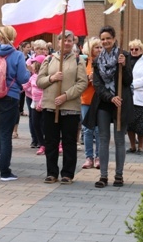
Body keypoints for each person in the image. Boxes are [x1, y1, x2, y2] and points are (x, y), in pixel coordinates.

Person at [84, 25, 134, 188]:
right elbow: (97, 84)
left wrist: (125, 65)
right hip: (104, 102)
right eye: (103, 39)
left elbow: (128, 81)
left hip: (121, 101)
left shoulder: (124, 55)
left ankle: (119, 175)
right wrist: (110, 97)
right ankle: (103, 175)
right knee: (103, 139)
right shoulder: (97, 60)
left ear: (114, 39)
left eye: (108, 38)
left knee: (119, 139)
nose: (105, 41)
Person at [37, 30, 87, 184]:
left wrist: (66, 95)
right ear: (58, 42)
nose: (66, 43)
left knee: (69, 141)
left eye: (69, 40)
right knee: (51, 141)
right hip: (50, 107)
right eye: (63, 40)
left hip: (70, 107)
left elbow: (82, 83)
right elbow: (39, 81)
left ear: (73, 42)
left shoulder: (78, 60)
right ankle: (52, 172)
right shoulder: (50, 59)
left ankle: (67, 174)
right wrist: (52, 78)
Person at [0, 26, 30, 182]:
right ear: (13, 37)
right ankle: (5, 172)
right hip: (9, 96)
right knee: (5, 135)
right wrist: (29, 72)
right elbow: (23, 78)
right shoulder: (17, 55)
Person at [126, 39, 143, 155]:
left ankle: (140, 145)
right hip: (127, 96)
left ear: (141, 50)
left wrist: (132, 84)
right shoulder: (125, 61)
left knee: (140, 123)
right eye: (132, 49)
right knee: (129, 124)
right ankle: (132, 146)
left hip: (139, 95)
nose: (134, 51)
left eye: (136, 49)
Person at [80, 37, 102, 169]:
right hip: (86, 99)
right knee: (87, 130)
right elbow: (79, 82)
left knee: (99, 130)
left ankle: (99, 157)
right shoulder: (83, 62)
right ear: (90, 49)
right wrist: (88, 78)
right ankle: (89, 157)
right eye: (96, 47)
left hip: (100, 100)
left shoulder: (104, 62)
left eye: (100, 47)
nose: (99, 50)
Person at [24, 54, 46, 155]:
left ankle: (55, 143)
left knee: (45, 125)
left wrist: (41, 102)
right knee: (35, 123)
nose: (31, 65)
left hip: (43, 104)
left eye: (33, 63)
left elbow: (46, 91)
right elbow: (27, 86)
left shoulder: (44, 77)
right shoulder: (32, 76)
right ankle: (42, 144)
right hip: (34, 103)